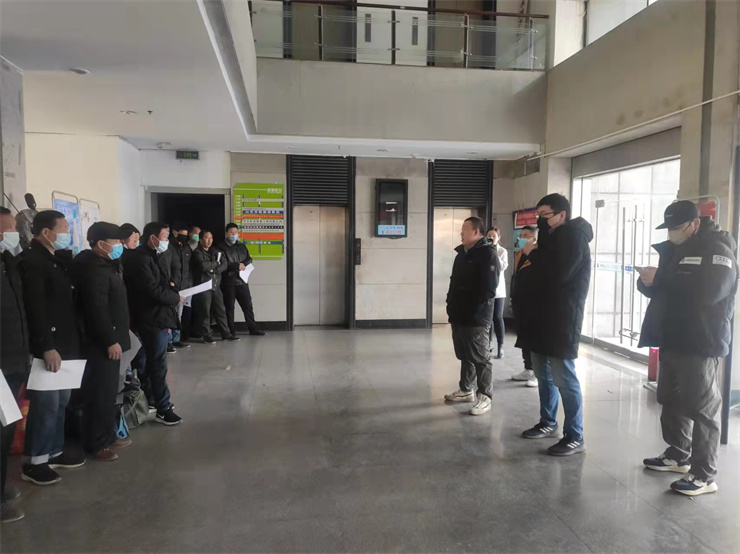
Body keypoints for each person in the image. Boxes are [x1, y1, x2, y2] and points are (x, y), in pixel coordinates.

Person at [637, 200, 737, 496]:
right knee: (671, 398)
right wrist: (647, 283)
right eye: (669, 228)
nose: (672, 233)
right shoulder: (679, 248)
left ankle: (704, 475)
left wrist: (663, 278)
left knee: (702, 407)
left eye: (677, 227)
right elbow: (670, 289)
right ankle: (678, 453)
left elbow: (712, 292)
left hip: (701, 339)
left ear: (695, 223)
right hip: (673, 336)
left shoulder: (718, 248)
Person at [519, 194, 592, 456]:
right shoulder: (551, 237)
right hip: (541, 316)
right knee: (543, 375)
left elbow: (558, 273)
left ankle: (575, 435)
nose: (540, 219)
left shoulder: (573, 237)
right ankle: (548, 422)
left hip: (562, 318)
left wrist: (533, 254)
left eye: (545, 215)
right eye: (538, 214)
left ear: (562, 215)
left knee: (564, 378)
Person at [17, 210, 85, 485]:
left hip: (66, 344)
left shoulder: (55, 260)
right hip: (50, 346)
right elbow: (36, 308)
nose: (68, 233)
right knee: (46, 404)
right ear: (46, 232)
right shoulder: (32, 261)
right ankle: (35, 461)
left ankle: (54, 450)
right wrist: (46, 346)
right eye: (64, 229)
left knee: (61, 402)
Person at [72, 222, 133, 462]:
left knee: (107, 392)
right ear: (101, 244)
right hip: (101, 343)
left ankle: (107, 434)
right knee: (98, 393)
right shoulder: (92, 268)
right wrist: (110, 340)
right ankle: (97, 443)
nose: (120, 246)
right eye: (116, 242)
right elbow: (96, 309)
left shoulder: (105, 264)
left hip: (111, 337)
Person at [121, 222, 183, 426]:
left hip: (155, 316)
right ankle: (163, 407)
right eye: (165, 236)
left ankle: (153, 401)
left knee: (149, 363)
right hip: (150, 318)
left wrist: (172, 289)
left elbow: (162, 282)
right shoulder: (139, 259)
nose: (167, 240)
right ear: (153, 238)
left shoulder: (155, 255)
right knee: (156, 364)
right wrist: (175, 298)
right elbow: (152, 289)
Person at [443, 216, 499, 416]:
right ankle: (466, 389)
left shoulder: (488, 254)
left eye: (465, 229)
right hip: (458, 314)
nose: (461, 232)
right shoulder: (462, 255)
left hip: (476, 316)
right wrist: (451, 304)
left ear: (476, 232)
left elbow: (488, 289)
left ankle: (485, 396)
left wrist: (470, 305)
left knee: (481, 357)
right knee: (465, 354)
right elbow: (453, 282)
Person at [0, 207, 29, 523]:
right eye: (9, 229)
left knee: (7, 429)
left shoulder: (8, 262)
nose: (15, 234)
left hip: (14, 358)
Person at [217, 223, 265, 337]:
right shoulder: (221, 247)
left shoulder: (242, 246)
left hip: (242, 280)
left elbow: (249, 258)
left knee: (248, 306)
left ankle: (253, 328)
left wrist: (244, 264)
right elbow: (222, 263)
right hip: (228, 282)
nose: (234, 234)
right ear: (226, 233)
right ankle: (231, 331)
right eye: (231, 232)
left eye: (236, 232)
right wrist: (236, 266)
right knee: (229, 308)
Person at [191, 230, 238, 344]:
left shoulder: (215, 251)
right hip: (203, 286)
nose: (209, 240)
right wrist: (216, 263)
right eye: (206, 238)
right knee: (205, 312)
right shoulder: (197, 252)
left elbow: (224, 264)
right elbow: (203, 266)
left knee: (221, 310)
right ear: (200, 239)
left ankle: (226, 333)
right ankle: (207, 335)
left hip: (216, 285)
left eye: (211, 238)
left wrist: (214, 270)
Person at [510, 225, 538, 388]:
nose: (522, 238)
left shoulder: (538, 257)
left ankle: (537, 372)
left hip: (532, 304)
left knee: (533, 338)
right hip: (519, 302)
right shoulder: (519, 254)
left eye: (526, 236)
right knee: (523, 337)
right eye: (521, 235)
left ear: (534, 239)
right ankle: (528, 368)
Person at [169, 223, 193, 346]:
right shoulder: (169, 247)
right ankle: (169, 341)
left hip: (184, 286)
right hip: (172, 286)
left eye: (186, 235)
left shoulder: (187, 248)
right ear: (175, 233)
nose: (184, 237)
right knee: (170, 314)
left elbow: (188, 268)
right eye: (181, 234)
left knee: (179, 313)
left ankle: (176, 339)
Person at [486, 227, 508, 359]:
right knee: (487, 318)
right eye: (489, 236)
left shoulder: (502, 251)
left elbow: (502, 267)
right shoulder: (483, 250)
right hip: (487, 290)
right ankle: (488, 344)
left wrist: (494, 252)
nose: (491, 238)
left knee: (497, 317)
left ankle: (500, 346)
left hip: (499, 291)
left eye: (493, 236)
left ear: (498, 238)